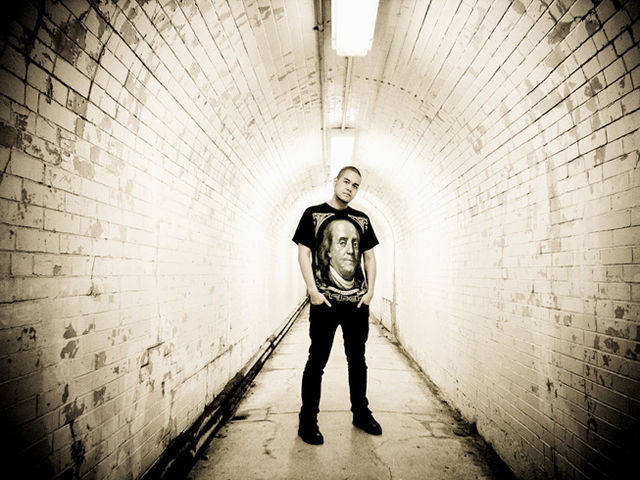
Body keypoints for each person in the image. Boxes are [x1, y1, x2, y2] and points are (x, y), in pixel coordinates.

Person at [292, 165, 382, 445]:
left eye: (355, 185)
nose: (350, 188)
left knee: (357, 361)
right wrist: (313, 291)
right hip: (325, 305)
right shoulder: (313, 214)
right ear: (335, 181)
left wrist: (370, 292)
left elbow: (369, 257)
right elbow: (304, 253)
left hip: (357, 305)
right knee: (316, 362)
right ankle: (307, 421)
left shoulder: (362, 219)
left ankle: (361, 413)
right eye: (346, 182)